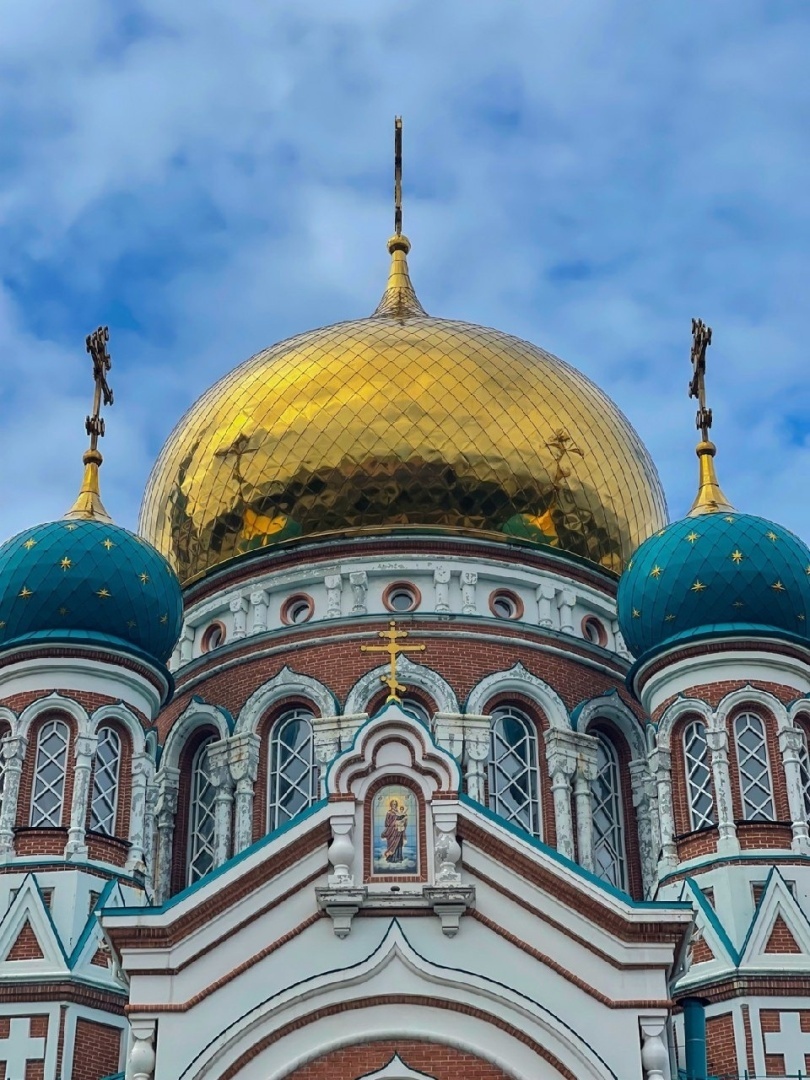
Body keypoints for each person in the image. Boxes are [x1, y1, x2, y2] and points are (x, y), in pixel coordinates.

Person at [381, 797, 408, 863]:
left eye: (395, 804)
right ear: (391, 805)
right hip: (392, 831)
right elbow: (386, 823)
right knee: (392, 844)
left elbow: (401, 819)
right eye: (393, 804)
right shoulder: (389, 812)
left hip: (398, 831)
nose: (394, 805)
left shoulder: (398, 812)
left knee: (398, 844)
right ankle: (391, 859)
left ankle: (398, 858)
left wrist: (403, 819)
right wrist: (394, 823)